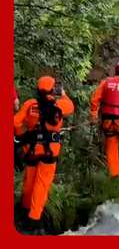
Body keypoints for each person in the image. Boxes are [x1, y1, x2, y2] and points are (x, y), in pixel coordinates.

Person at [14, 76, 74, 233]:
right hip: (50, 151)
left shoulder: (29, 104)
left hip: (32, 150)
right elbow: (71, 106)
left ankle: (24, 210)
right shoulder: (60, 104)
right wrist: (63, 93)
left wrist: (22, 135)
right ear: (53, 89)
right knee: (42, 184)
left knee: (29, 181)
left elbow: (15, 123)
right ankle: (34, 219)